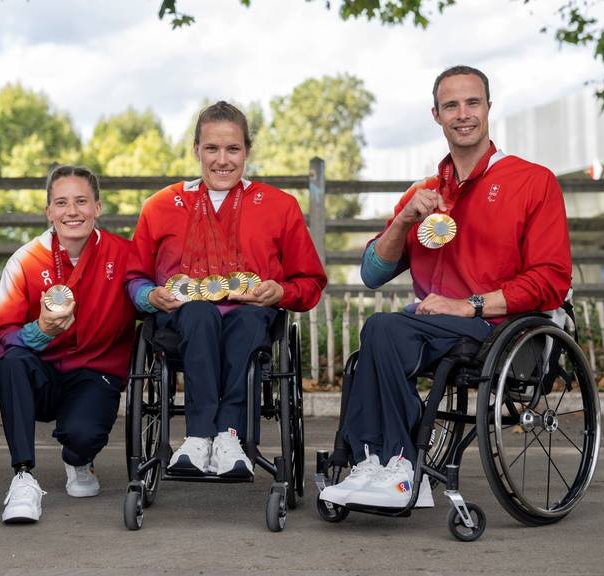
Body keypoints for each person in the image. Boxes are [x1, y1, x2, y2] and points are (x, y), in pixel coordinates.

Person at [319, 65, 573, 509]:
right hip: (432, 327)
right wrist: (403, 220)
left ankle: (396, 465)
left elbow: (551, 279)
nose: (463, 114)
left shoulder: (532, 181)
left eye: (472, 102)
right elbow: (373, 274)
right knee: (381, 334)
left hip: (499, 327)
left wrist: (470, 305)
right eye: (450, 105)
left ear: (489, 108)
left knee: (384, 330)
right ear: (436, 115)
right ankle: (374, 464)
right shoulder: (424, 193)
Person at [126, 101, 327, 478]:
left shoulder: (280, 207)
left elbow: (310, 281)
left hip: (250, 319)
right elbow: (134, 278)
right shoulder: (161, 206)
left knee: (250, 320)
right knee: (199, 313)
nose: (222, 160)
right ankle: (199, 436)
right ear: (196, 150)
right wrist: (149, 296)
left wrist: (279, 292)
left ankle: (230, 436)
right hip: (182, 324)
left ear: (247, 151)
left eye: (233, 149)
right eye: (212, 149)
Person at [0, 165, 136, 523]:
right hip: (43, 373)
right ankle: (23, 476)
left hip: (96, 369)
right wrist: (39, 331)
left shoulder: (126, 254)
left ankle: (79, 460)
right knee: (10, 363)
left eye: (82, 201)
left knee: (82, 436)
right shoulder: (25, 259)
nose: (72, 212)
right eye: (62, 203)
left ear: (98, 207)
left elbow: (148, 297)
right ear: (49, 211)